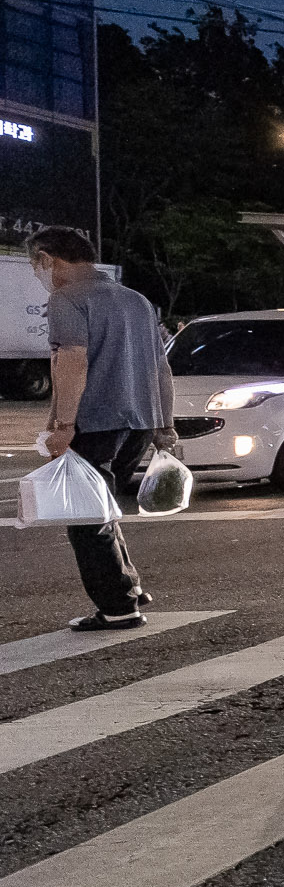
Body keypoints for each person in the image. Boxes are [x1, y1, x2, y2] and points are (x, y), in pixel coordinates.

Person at [27, 226, 174, 631]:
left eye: (35, 264)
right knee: (103, 510)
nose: (37, 273)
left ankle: (118, 607)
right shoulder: (137, 300)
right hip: (139, 424)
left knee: (87, 522)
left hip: (95, 423)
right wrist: (165, 425)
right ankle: (130, 588)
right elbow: (160, 367)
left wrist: (63, 426)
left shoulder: (67, 298)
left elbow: (71, 361)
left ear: (48, 257)